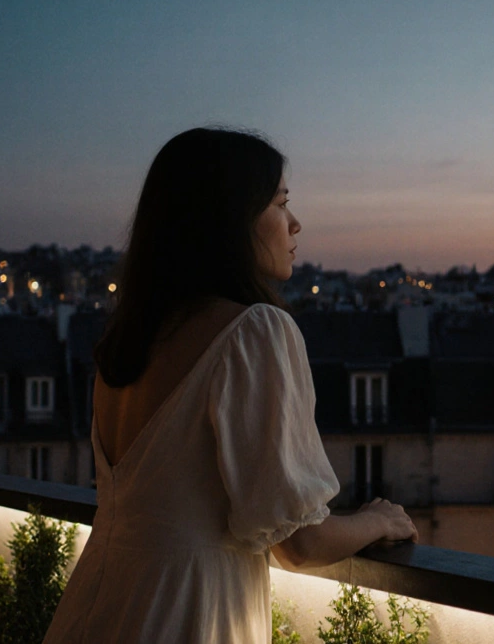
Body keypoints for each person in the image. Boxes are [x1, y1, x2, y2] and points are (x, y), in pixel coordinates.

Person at [42, 128, 417, 643]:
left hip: (95, 607)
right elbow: (299, 545)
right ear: (229, 220)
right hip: (182, 616)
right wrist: (378, 521)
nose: (294, 223)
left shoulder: (132, 340)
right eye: (281, 203)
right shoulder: (253, 331)